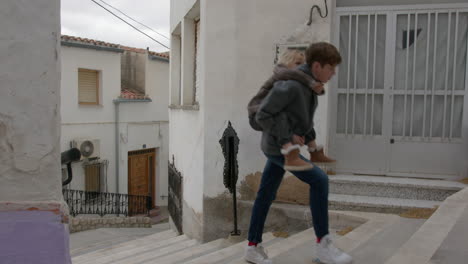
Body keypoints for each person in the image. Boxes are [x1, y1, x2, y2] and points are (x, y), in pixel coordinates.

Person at [244, 42, 352, 264]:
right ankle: (323, 246)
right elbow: (263, 115)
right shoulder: (292, 86)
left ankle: (252, 248)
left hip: (277, 146)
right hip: (279, 148)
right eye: (331, 68)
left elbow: (300, 118)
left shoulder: (309, 86)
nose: (334, 73)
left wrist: (311, 144)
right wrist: (288, 138)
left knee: (265, 195)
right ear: (317, 66)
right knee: (319, 180)